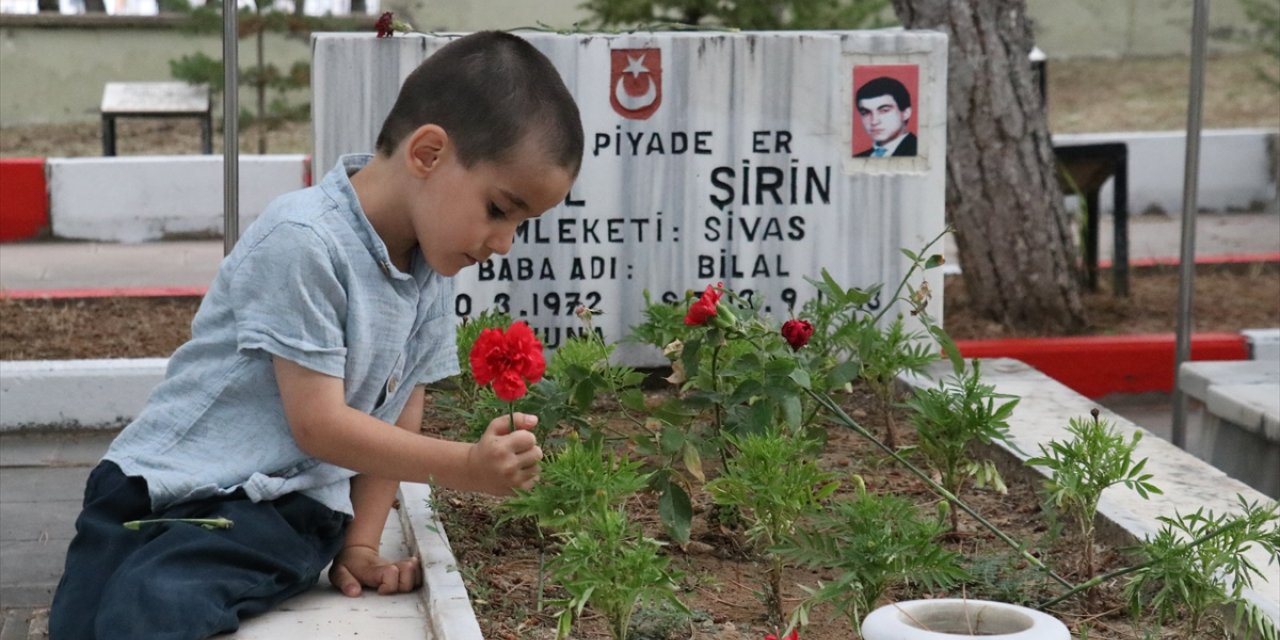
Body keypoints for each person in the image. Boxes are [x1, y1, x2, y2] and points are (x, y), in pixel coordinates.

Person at [48, 30, 583, 640]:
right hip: (152, 485)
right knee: (80, 622)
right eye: (499, 209)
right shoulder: (305, 239)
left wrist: (360, 544)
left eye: (520, 223)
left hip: (272, 510)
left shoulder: (430, 273)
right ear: (428, 153)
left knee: (150, 609)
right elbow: (319, 423)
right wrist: (466, 465)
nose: (503, 243)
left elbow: (400, 410)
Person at [854, 75, 917, 158]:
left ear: (906, 113)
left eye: (884, 110)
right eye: (866, 112)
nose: (874, 121)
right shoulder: (858, 158)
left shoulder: (921, 152)